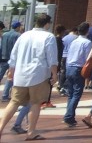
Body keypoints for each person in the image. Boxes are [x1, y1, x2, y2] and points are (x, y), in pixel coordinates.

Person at [0, 12, 57, 140]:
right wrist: (54, 73)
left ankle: (1, 128)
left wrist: (11, 70)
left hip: (20, 74)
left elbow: (14, 55)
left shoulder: (24, 35)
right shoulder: (48, 36)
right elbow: (52, 58)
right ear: (47, 24)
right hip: (39, 74)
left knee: (14, 102)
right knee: (36, 103)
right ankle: (31, 131)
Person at [62, 22, 90, 128]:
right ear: (87, 31)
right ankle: (69, 116)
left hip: (69, 67)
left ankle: (70, 116)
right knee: (77, 93)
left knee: (71, 93)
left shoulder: (74, 41)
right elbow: (87, 58)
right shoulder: (87, 42)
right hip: (78, 68)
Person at [0, 19, 21, 101]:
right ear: (18, 27)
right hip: (12, 59)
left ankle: (5, 95)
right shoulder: (18, 35)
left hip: (3, 57)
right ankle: (5, 95)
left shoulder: (4, 34)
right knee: (10, 77)